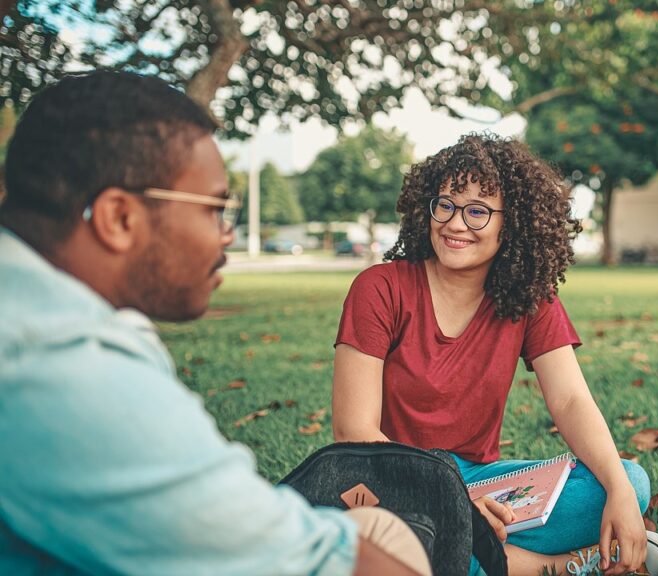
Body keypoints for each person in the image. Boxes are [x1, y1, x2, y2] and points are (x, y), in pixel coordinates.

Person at [0, 71, 430, 576]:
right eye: (214, 209)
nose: (226, 234)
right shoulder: (63, 368)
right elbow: (326, 564)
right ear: (119, 218)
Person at [331, 134, 658, 576]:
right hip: (391, 484)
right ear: (427, 208)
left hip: (480, 484)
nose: (456, 224)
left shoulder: (529, 298)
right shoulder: (379, 289)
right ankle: (557, 567)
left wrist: (620, 495)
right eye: (446, 205)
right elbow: (353, 431)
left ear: (510, 223)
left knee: (628, 480)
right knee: (396, 540)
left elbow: (570, 400)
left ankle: (468, 555)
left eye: (477, 211)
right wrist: (454, 504)